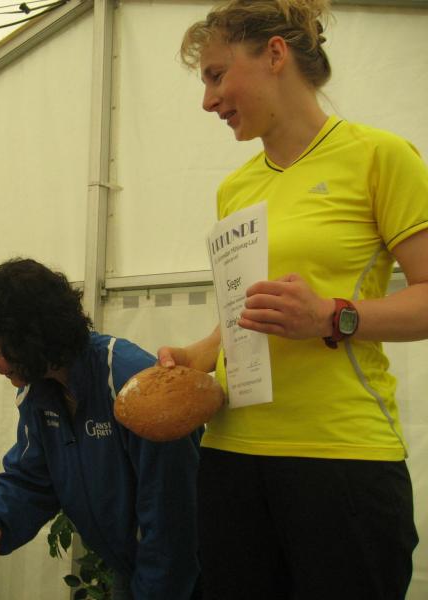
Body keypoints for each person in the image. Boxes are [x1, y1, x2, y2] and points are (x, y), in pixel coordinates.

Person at [158, 0, 428, 598]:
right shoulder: (235, 189)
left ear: (275, 54)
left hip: (340, 458)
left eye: (216, 75)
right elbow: (244, 315)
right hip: (231, 457)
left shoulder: (379, 156)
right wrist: (199, 355)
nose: (207, 101)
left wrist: (333, 315)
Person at [0, 258, 201, 600]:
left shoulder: (129, 381)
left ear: (29, 336)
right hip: (134, 568)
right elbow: (32, 481)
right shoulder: (38, 393)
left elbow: (171, 520)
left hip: (186, 576)